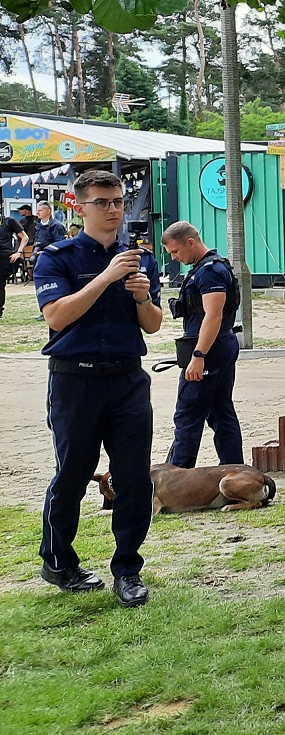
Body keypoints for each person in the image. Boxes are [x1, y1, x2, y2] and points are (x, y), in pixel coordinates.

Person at [33, 169, 162, 607]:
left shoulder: (140, 258)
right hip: (75, 379)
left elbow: (154, 324)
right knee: (72, 474)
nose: (112, 210)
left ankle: (127, 569)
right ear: (79, 205)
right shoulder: (57, 257)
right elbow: (57, 317)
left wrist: (142, 297)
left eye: (118, 202)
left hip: (127, 378)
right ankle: (59, 562)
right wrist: (106, 277)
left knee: (132, 478)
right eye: (102, 203)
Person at [161, 221, 243, 469]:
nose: (175, 258)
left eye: (175, 251)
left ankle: (177, 478)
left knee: (188, 413)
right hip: (219, 346)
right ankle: (234, 470)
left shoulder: (209, 271)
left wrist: (198, 355)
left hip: (210, 349)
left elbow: (213, 315)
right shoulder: (209, 267)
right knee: (221, 411)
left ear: (190, 243)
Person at [1, 205, 28, 317]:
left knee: (0, 284)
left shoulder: (9, 221)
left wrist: (19, 252)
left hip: (4, 257)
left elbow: (24, 237)